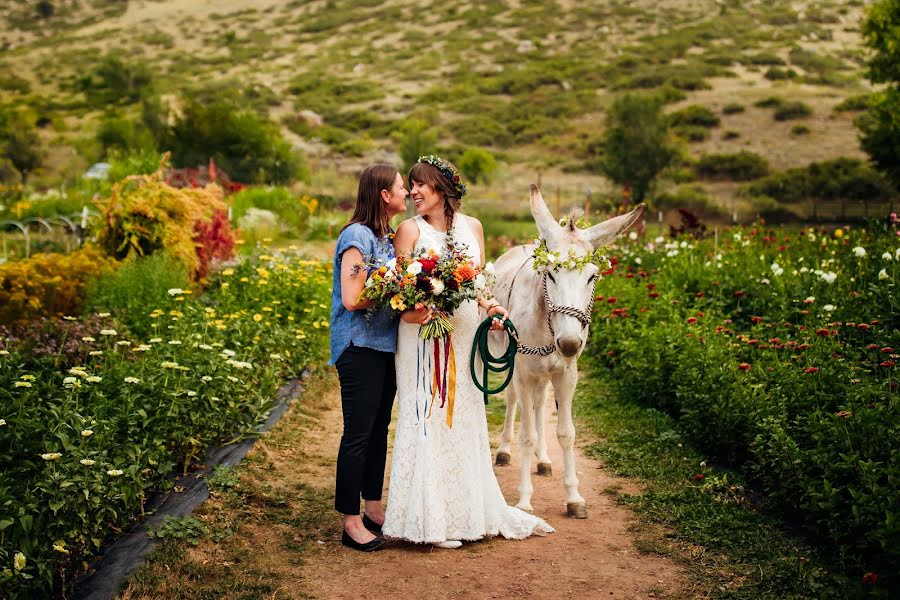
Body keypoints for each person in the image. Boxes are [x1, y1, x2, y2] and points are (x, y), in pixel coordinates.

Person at [383, 156, 554, 548]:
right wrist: (414, 313)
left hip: (463, 334)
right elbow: (400, 292)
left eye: (420, 185)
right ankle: (431, 520)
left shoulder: (473, 227)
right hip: (424, 340)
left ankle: (465, 512)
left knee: (461, 417)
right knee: (427, 415)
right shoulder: (408, 230)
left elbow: (478, 286)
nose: (413, 192)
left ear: (442, 189)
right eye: (410, 185)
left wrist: (492, 309)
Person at [329, 164, 408, 552]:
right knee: (358, 434)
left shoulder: (388, 238)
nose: (407, 193)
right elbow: (352, 297)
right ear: (383, 195)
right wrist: (398, 290)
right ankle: (350, 522)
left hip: (384, 347)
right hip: (358, 347)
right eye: (401, 187)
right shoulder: (357, 236)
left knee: (378, 431)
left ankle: (374, 509)